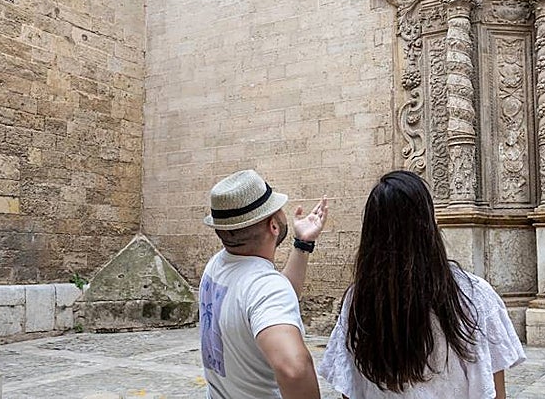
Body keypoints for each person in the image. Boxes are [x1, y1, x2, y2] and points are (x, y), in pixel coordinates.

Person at [319, 171, 525, 399]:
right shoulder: (475, 295)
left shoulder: (358, 300)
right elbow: (495, 392)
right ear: (429, 224)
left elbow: (349, 390)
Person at [199, 169, 330, 399]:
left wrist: (303, 244)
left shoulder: (217, 265)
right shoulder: (264, 287)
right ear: (274, 226)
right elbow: (295, 369)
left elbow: (269, 300)